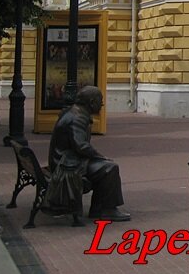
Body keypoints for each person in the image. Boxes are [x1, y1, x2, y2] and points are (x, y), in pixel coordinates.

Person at [48, 85, 130, 221]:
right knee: (110, 168)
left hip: (65, 160)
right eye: (100, 100)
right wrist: (100, 157)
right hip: (66, 166)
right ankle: (106, 209)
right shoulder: (78, 117)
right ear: (92, 103)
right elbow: (81, 146)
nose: (102, 104)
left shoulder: (75, 112)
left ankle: (99, 208)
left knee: (104, 166)